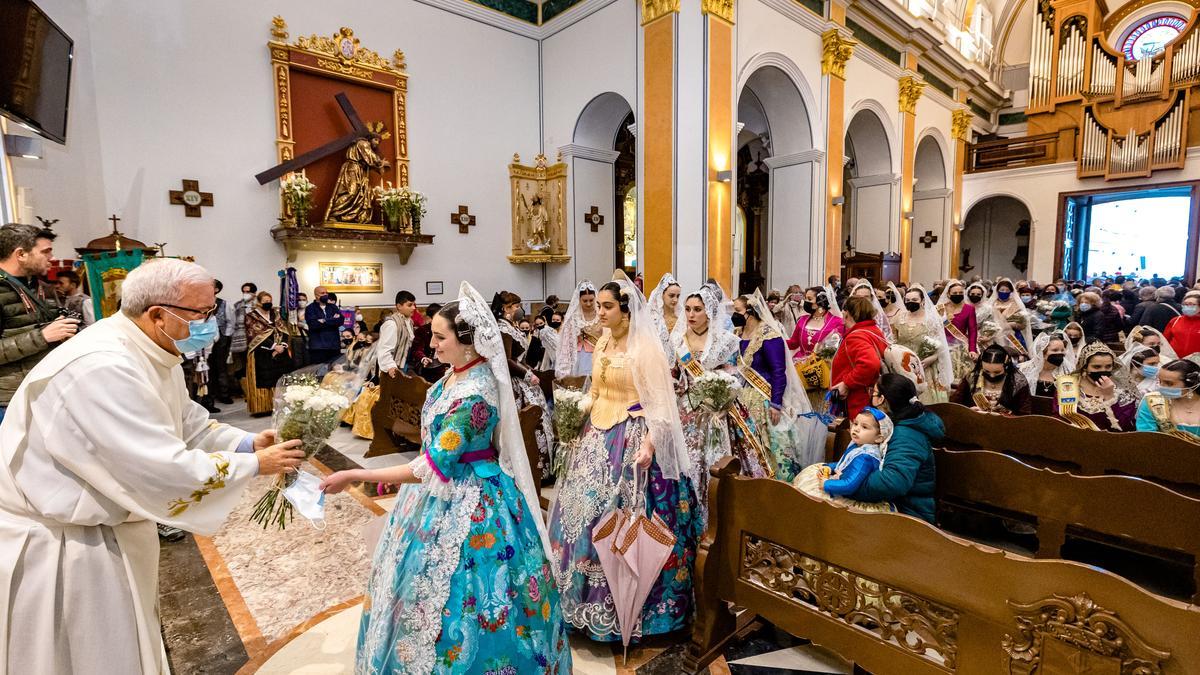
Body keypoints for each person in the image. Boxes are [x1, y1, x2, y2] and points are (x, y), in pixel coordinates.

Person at [0, 258, 304, 674]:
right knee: (90, 654)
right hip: (67, 545)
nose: (208, 321)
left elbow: (184, 422)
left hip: (103, 531)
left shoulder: (147, 346)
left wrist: (248, 442)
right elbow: (158, 465)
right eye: (201, 312)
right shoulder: (104, 366)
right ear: (158, 314)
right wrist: (253, 466)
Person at [319, 284, 572, 674]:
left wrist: (357, 473)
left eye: (440, 337)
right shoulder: (455, 375)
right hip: (443, 492)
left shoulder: (474, 396)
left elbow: (430, 466)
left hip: (472, 501)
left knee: (473, 595)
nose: (431, 345)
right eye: (433, 335)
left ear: (468, 342)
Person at [547, 274, 699, 643]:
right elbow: (596, 392)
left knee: (625, 521)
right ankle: (578, 604)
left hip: (633, 438)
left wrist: (649, 444)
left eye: (607, 306)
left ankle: (635, 612)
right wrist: (574, 413)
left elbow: (662, 406)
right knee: (580, 516)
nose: (599, 313)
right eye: (598, 306)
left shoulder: (645, 348)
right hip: (596, 436)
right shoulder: (602, 343)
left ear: (626, 311)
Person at [673, 287, 771, 526]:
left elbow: (735, 373)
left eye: (697, 309)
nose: (691, 314)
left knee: (719, 461)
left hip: (720, 409)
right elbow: (675, 374)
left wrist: (719, 393)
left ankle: (725, 517)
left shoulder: (725, 341)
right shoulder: (678, 341)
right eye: (687, 309)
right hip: (687, 408)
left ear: (709, 312)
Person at [734, 292, 816, 480]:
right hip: (740, 400)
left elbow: (779, 371)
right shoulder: (736, 334)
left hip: (763, 400)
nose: (734, 315)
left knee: (770, 447)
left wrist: (775, 403)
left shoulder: (769, 335)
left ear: (751, 311)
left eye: (737, 310)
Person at [0, 223, 77, 423]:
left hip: (47, 387)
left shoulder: (42, 287)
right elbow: (42, 335)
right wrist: (41, 336)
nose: (51, 257)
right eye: (45, 251)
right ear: (21, 254)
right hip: (10, 399)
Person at [843, 374, 942, 523]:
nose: (870, 398)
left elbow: (892, 482)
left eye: (873, 393)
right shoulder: (890, 425)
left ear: (881, 399)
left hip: (907, 514)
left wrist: (850, 483)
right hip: (889, 504)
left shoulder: (906, 435)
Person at [493, 291, 554, 475]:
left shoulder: (511, 326)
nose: (520, 310)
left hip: (523, 378)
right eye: (517, 306)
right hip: (516, 384)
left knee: (539, 421)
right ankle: (529, 469)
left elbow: (520, 357)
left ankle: (539, 467)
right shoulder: (503, 328)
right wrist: (527, 374)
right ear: (506, 308)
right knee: (529, 422)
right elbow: (507, 359)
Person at [792, 406, 894, 513]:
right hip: (843, 483)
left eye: (864, 427)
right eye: (855, 423)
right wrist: (829, 467)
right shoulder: (859, 445)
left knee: (810, 497)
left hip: (853, 497)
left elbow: (850, 485)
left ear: (879, 438)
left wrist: (827, 484)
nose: (856, 429)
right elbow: (846, 464)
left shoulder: (866, 457)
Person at [890, 284, 952, 404]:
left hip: (925, 367)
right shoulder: (899, 317)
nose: (910, 302)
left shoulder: (932, 319)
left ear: (922, 301)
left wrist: (932, 358)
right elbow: (894, 340)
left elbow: (940, 345)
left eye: (914, 300)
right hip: (903, 365)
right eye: (907, 300)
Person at [1054, 341, 1137, 431]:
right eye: (1097, 367)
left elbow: (1124, 427)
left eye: (1108, 366)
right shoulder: (1068, 385)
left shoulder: (1123, 391)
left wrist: (1109, 397)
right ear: (1085, 367)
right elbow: (1059, 419)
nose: (1103, 370)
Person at [787, 286, 845, 409]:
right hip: (799, 368)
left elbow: (834, 349)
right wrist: (777, 338)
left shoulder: (837, 322)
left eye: (809, 299)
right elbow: (793, 343)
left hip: (822, 371)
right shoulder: (802, 320)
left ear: (821, 301)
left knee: (819, 408)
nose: (805, 302)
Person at [830, 296, 886, 420]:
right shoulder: (873, 330)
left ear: (847, 313)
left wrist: (846, 383)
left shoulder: (856, 336)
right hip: (869, 396)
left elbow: (870, 364)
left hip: (858, 400)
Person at [242, 290, 293, 416]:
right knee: (263, 379)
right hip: (261, 352)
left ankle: (279, 405)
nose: (268, 304)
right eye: (265, 302)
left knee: (278, 379)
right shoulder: (251, 317)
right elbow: (254, 335)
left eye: (270, 302)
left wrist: (282, 345)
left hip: (280, 351)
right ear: (258, 303)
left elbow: (284, 329)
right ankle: (262, 408)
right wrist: (274, 346)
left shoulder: (275, 314)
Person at [954, 344, 1032, 415]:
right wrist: (968, 411)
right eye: (986, 371)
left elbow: (1024, 415)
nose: (992, 376)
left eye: (997, 372)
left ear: (1006, 366)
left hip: (1007, 427)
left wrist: (1005, 416)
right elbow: (955, 407)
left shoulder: (1018, 382)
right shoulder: (972, 378)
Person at [1136, 359, 1200, 440]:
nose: (1161, 387)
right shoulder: (1152, 402)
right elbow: (1145, 439)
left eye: (1169, 383)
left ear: (1191, 384)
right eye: (1160, 381)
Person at [554, 281, 601, 378]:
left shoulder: (601, 314)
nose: (588, 304)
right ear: (579, 300)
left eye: (591, 300)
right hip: (579, 355)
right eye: (585, 301)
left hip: (599, 354)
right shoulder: (574, 316)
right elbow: (566, 341)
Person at [936, 281, 979, 381]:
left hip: (960, 348)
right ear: (948, 294)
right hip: (942, 347)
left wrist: (972, 349)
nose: (958, 295)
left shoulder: (969, 309)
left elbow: (973, 330)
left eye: (960, 293)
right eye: (955, 293)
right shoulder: (940, 309)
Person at [1019, 332, 1075, 398]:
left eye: (1062, 350)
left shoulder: (1068, 372)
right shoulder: (1025, 369)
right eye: (1055, 350)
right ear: (1042, 353)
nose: (1060, 353)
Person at [377, 290, 416, 379]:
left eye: (414, 304)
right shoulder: (392, 323)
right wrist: (390, 366)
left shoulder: (409, 322)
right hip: (393, 370)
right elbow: (384, 349)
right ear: (399, 306)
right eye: (410, 305)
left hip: (404, 366)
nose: (413, 308)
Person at [305, 285, 345, 364]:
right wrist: (332, 320)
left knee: (334, 371)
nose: (326, 295)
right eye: (323, 293)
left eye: (326, 293)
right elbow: (313, 324)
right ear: (316, 295)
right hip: (318, 347)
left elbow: (340, 320)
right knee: (319, 371)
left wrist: (324, 320)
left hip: (333, 345)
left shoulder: (333, 307)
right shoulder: (310, 308)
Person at [990, 278, 1033, 350]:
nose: (1004, 292)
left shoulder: (1016, 304)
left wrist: (1012, 324)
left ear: (1011, 291)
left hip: (1012, 336)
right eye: (1002, 290)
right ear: (997, 291)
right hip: (994, 336)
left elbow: (1023, 324)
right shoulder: (992, 304)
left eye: (1007, 290)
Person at [647, 272, 683, 359]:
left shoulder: (680, 316)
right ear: (662, 294)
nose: (675, 300)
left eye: (678, 296)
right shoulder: (652, 317)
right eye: (671, 296)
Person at [230, 282, 256, 389]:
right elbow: (233, 322)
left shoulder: (258, 304)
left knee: (255, 364)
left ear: (254, 293)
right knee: (243, 365)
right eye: (244, 292)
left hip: (255, 338)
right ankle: (245, 390)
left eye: (248, 292)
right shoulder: (237, 305)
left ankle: (255, 387)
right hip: (241, 339)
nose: (245, 294)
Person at [1165, 291, 1200, 358]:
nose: (1187, 306)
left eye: (1191, 304)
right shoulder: (1175, 320)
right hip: (1175, 359)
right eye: (1185, 304)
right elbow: (1165, 340)